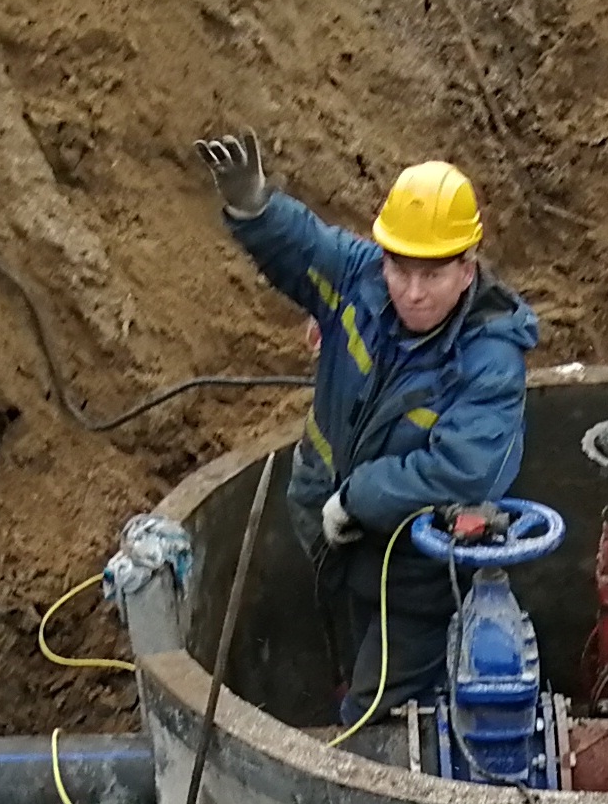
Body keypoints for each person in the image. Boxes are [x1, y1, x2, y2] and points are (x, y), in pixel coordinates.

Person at [195, 129, 539, 726]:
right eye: (399, 268)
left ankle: (384, 741)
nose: (410, 291)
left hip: (412, 573)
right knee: (345, 641)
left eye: (431, 275)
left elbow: (464, 467)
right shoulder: (363, 281)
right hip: (326, 530)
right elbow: (308, 247)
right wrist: (255, 207)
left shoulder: (490, 355)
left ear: (467, 267)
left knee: (376, 709)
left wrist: (359, 498)